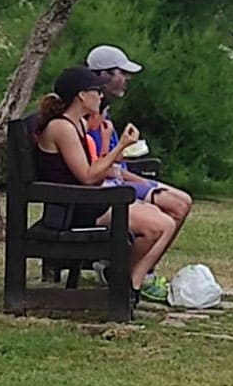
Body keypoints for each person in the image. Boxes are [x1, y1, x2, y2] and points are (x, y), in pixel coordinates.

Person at [34, 67, 178, 304]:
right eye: (96, 91)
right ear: (81, 95)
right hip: (73, 209)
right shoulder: (62, 128)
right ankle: (126, 286)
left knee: (165, 220)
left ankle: (130, 283)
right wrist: (120, 146)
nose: (101, 97)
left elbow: (93, 170)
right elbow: (88, 176)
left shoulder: (78, 124)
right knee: (158, 226)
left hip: (86, 200)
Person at [85, 44, 193, 242]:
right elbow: (100, 166)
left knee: (184, 200)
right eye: (123, 73)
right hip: (110, 188)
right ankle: (135, 267)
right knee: (176, 205)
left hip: (119, 179)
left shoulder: (104, 112)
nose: (128, 79)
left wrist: (124, 149)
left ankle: (143, 265)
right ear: (102, 75)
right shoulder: (90, 116)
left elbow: (112, 160)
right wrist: (138, 178)